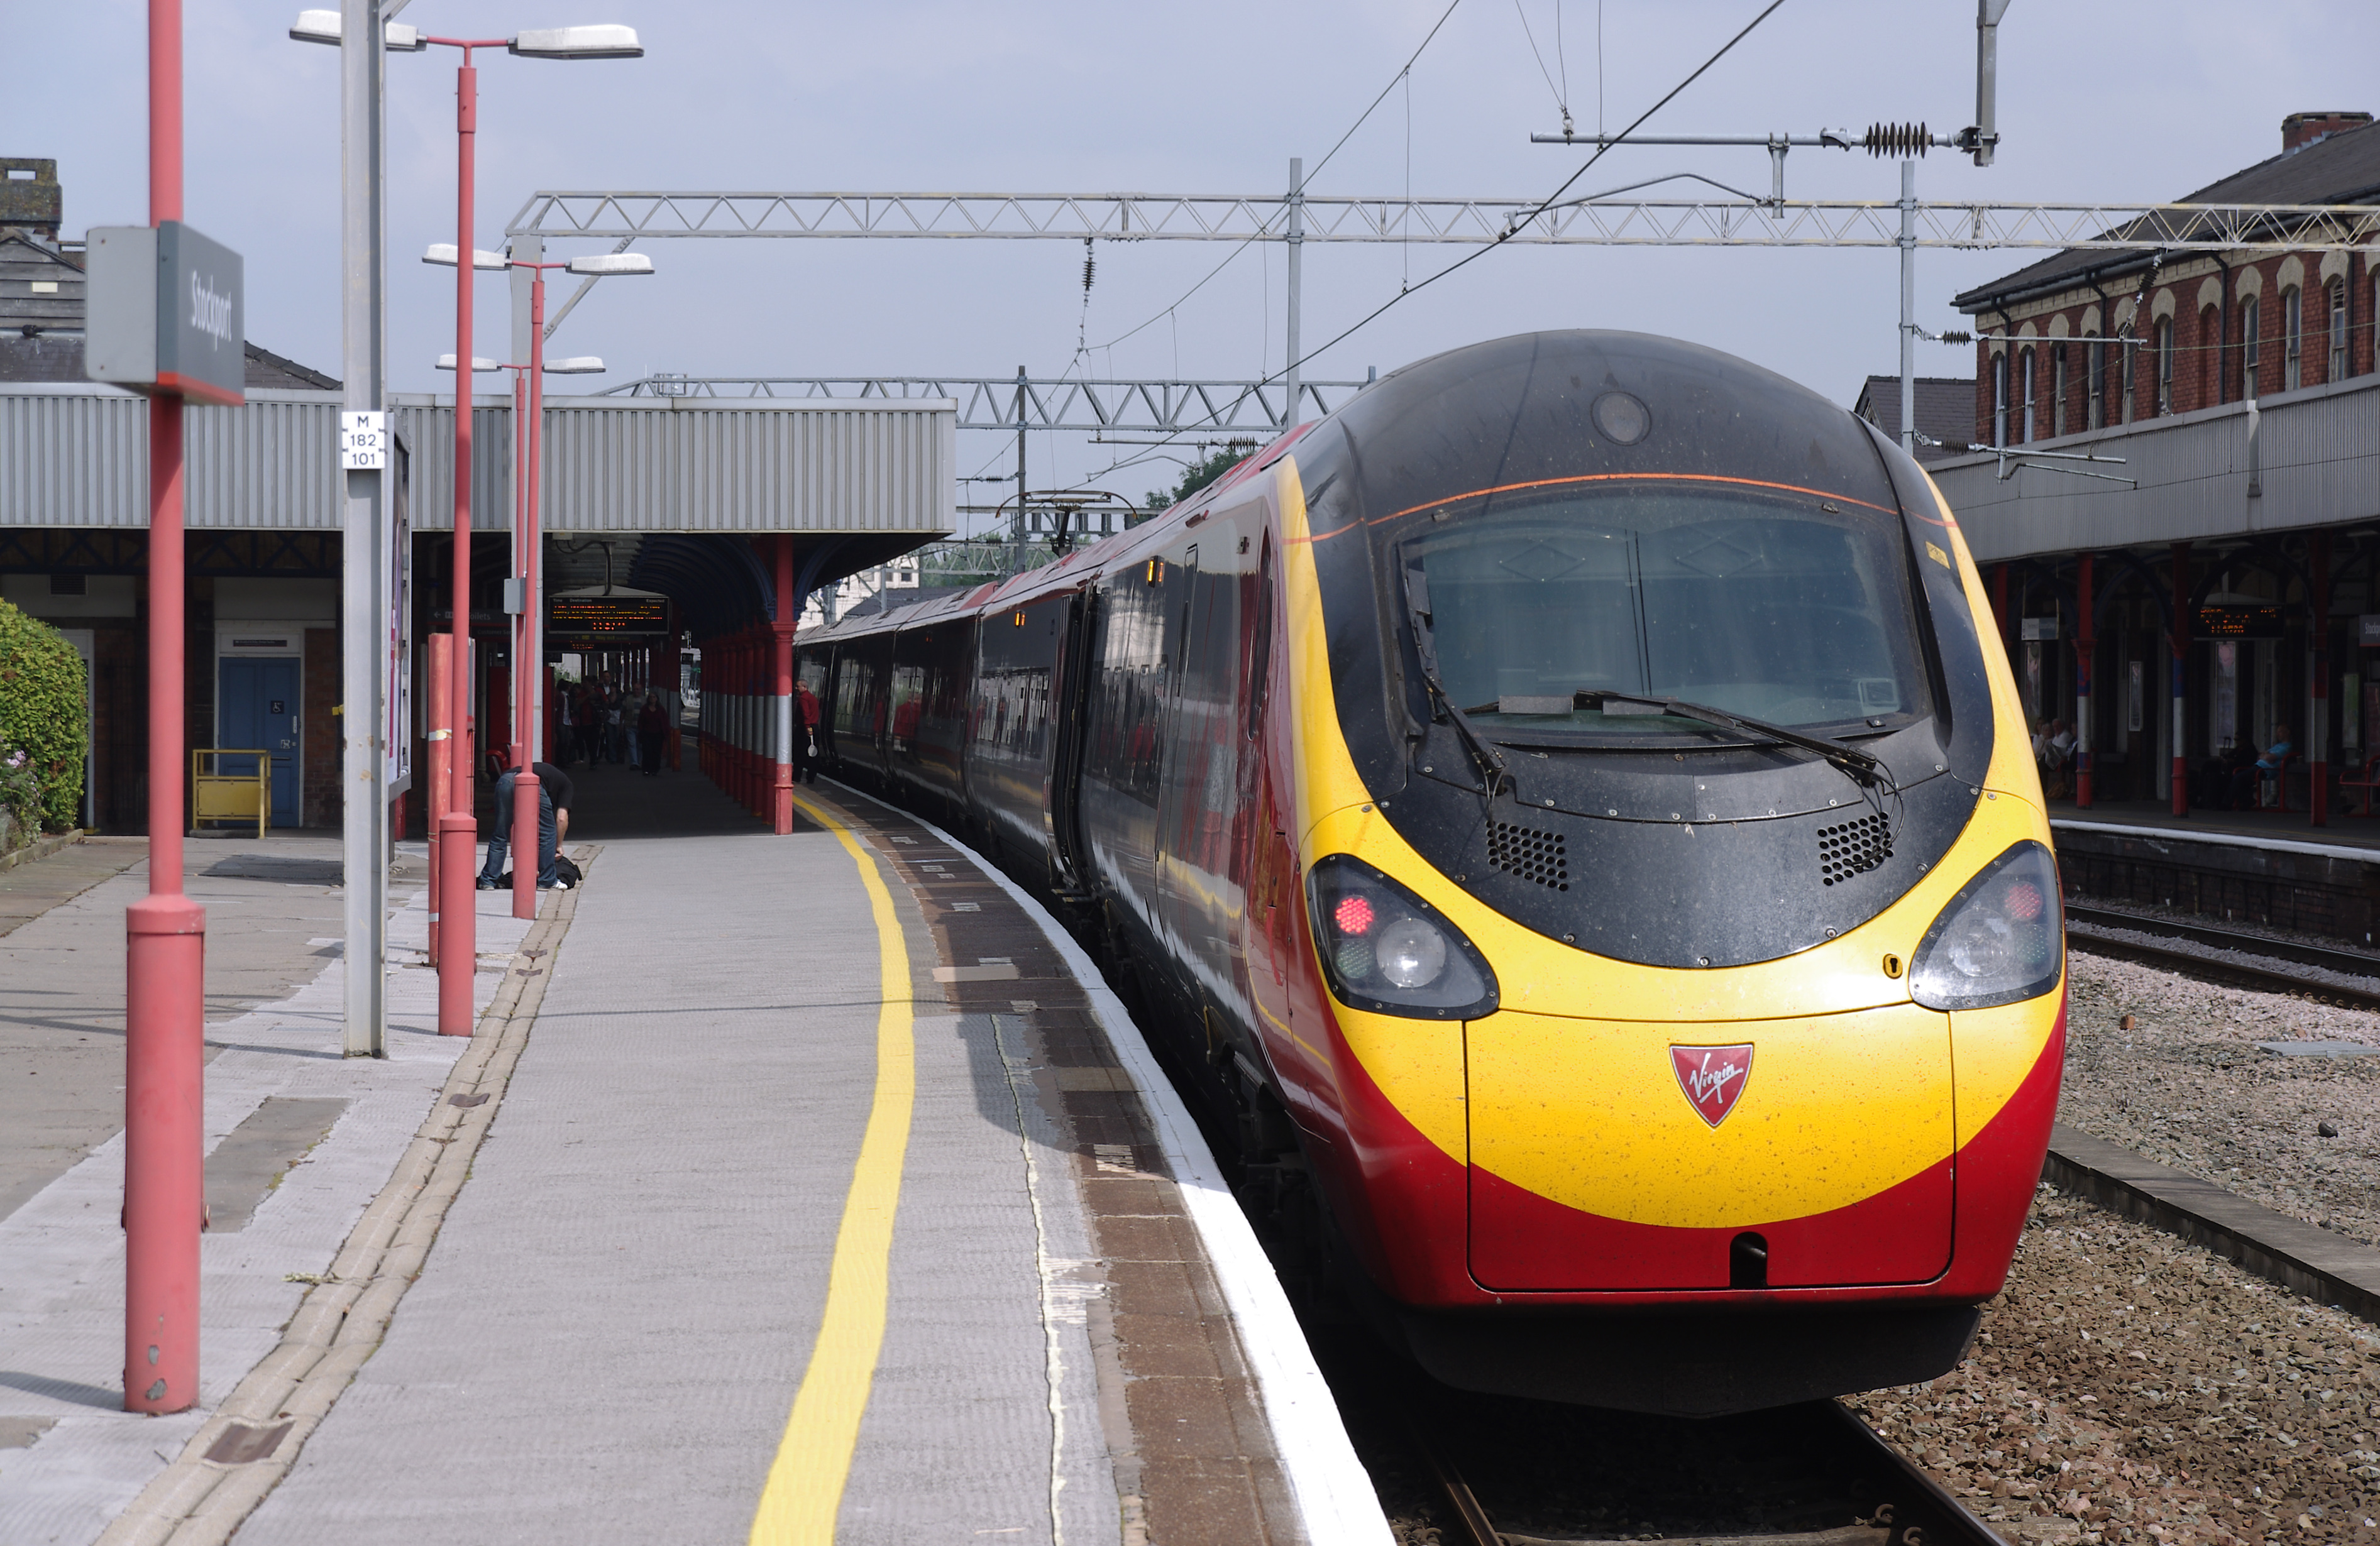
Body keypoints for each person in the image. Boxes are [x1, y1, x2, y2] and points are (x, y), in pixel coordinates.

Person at [478, 760, 574, 891]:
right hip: (532, 783)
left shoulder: (550, 775)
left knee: (500, 833)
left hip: (505, 779)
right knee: (548, 833)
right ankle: (547, 880)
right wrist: (559, 845)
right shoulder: (567, 786)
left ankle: (488, 880)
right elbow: (562, 818)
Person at [2228, 725, 2294, 811]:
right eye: (2277, 732)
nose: (2278, 734)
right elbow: (2261, 756)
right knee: (2239, 777)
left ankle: (2227, 803)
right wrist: (2266, 756)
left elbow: (2269, 757)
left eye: (2281, 732)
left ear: (2288, 732)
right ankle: (2246, 801)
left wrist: (2267, 756)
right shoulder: (2277, 746)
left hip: (2267, 770)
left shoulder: (2287, 747)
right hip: (2258, 766)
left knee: (2239, 778)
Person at [796, 679, 822, 784]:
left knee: (800, 753)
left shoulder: (803, 698)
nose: (796, 688)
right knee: (813, 754)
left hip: (805, 728)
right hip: (815, 727)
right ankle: (811, 777)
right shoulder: (813, 698)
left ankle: (797, 776)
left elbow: (806, 713)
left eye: (798, 686)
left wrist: (807, 727)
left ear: (804, 687)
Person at [637, 692, 668, 777]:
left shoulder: (661, 710)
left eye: (654, 697)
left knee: (656, 752)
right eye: (650, 697)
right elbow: (641, 721)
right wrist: (641, 731)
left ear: (657, 699)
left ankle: (655, 769)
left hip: (658, 734)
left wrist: (665, 733)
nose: (652, 699)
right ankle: (646, 769)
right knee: (647, 751)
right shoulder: (644, 709)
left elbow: (665, 721)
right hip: (647, 733)